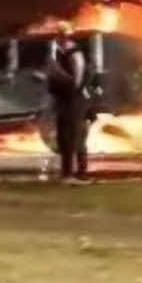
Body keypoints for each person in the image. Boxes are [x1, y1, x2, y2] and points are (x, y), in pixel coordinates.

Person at [46, 22, 91, 183]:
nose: (58, 37)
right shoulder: (59, 51)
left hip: (74, 100)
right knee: (65, 137)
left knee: (74, 136)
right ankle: (67, 173)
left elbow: (76, 79)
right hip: (66, 99)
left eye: (61, 33)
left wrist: (59, 75)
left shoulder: (73, 52)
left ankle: (78, 173)